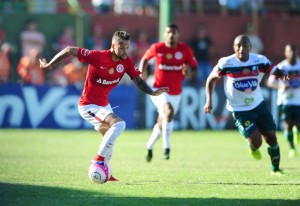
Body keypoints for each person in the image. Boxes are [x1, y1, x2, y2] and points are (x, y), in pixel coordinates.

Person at [39, 30, 169, 181]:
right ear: (113, 46)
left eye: (127, 47)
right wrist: (49, 65)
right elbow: (69, 50)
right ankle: (98, 160)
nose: (125, 51)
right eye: (122, 47)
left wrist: (152, 92)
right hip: (88, 106)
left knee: (109, 139)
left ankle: (105, 170)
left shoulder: (126, 62)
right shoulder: (98, 56)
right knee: (119, 125)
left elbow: (138, 80)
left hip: (103, 106)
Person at [204, 35, 290, 175]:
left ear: (250, 47)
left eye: (244, 45)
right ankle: (252, 146)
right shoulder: (226, 63)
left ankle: (275, 169)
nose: (241, 49)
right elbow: (211, 79)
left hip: (258, 105)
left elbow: (275, 70)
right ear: (234, 47)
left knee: (271, 136)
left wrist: (283, 75)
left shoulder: (260, 60)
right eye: (238, 45)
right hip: (240, 110)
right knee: (258, 142)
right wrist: (208, 100)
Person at [139, 24, 199, 162]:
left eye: (174, 32)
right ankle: (166, 146)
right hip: (158, 89)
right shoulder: (157, 48)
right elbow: (145, 59)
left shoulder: (185, 50)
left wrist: (189, 74)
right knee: (169, 111)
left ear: (178, 35)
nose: (171, 35)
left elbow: (195, 70)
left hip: (176, 92)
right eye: (168, 32)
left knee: (163, 122)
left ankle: (149, 145)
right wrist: (141, 74)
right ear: (164, 34)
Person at [267, 44, 300, 157]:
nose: (292, 54)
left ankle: (297, 133)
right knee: (288, 125)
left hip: (298, 100)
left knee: (298, 125)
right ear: (285, 53)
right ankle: (292, 148)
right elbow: (270, 82)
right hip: (285, 100)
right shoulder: (281, 66)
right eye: (290, 52)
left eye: (294, 51)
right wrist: (281, 87)